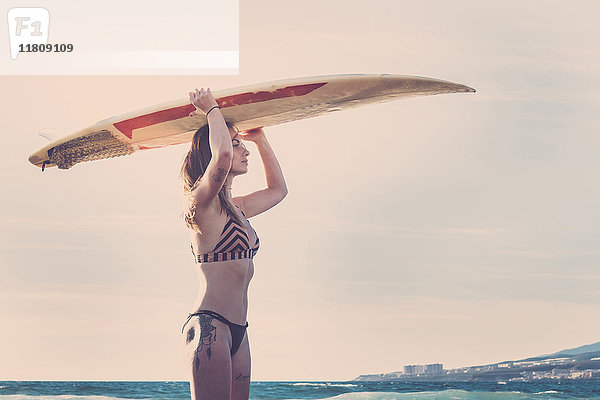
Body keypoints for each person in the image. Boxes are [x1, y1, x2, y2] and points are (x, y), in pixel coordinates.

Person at [180, 88, 287, 400]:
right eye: (237, 144)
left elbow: (278, 190)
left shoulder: (237, 208)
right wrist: (211, 109)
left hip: (239, 330)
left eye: (241, 144)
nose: (243, 151)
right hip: (210, 327)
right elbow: (223, 156)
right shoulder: (201, 204)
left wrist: (260, 138)